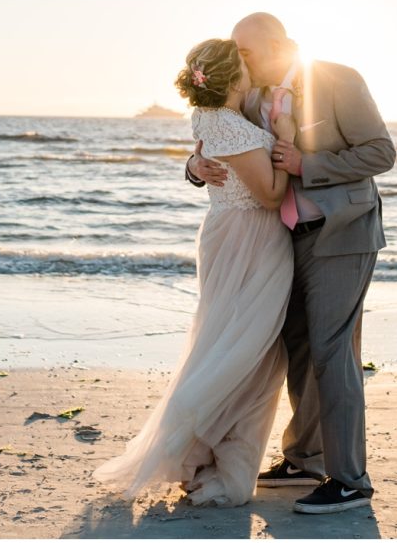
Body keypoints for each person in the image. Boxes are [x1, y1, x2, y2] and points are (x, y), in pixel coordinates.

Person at [186, 13, 396, 514]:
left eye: (246, 50)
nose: (238, 59)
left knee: (332, 350)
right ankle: (305, 458)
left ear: (280, 43)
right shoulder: (253, 96)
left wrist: (308, 165)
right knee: (296, 349)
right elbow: (225, 144)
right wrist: (193, 169)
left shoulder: (337, 79)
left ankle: (351, 481)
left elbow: (381, 152)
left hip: (341, 233)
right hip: (283, 238)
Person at [93, 37, 297, 507]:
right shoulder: (230, 125)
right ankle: (201, 454)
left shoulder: (212, 116)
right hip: (251, 241)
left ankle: (201, 454)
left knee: (233, 345)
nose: (252, 69)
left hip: (235, 236)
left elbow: (212, 154)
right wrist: (285, 141)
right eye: (244, 64)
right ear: (233, 77)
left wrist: (193, 164)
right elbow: (269, 195)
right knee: (244, 351)